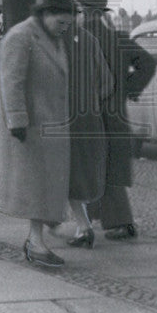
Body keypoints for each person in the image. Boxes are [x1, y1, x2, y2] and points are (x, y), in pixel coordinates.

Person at [0, 0, 77, 269]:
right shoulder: (21, 36)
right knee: (37, 186)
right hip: (32, 126)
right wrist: (17, 121)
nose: (65, 29)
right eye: (61, 23)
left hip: (51, 124)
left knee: (45, 185)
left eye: (68, 24)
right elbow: (11, 81)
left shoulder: (52, 38)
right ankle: (36, 243)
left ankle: (38, 238)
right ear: (45, 14)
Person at [77, 0, 156, 241]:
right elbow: (149, 63)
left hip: (86, 115)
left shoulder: (77, 38)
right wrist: (130, 88)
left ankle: (114, 222)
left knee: (87, 167)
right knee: (111, 166)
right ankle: (111, 220)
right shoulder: (119, 38)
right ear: (102, 11)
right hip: (115, 114)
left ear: (84, 10)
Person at [63, 17, 113, 248]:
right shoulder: (90, 40)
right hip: (89, 118)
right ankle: (83, 226)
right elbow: (107, 83)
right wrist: (91, 100)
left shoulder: (54, 42)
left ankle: (81, 226)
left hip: (63, 119)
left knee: (65, 174)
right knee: (79, 174)